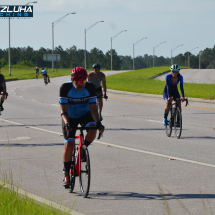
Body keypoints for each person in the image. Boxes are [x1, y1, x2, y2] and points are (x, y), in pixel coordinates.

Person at [59, 66, 105, 188]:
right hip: (69, 117)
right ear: (72, 79)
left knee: (93, 128)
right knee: (69, 144)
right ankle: (66, 174)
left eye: (83, 81)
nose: (82, 84)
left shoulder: (90, 87)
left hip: (85, 114)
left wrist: (98, 122)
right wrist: (67, 123)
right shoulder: (65, 88)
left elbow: (94, 109)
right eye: (79, 81)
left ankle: (82, 150)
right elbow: (63, 111)